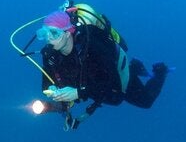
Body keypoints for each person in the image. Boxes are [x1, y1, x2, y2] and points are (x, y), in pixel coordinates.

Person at [37, 8, 169, 130]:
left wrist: (78, 93)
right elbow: (46, 81)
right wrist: (51, 89)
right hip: (88, 86)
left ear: (68, 33)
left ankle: (160, 71)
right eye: (44, 33)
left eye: (54, 33)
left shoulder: (92, 47)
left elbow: (111, 82)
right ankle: (135, 67)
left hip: (114, 76)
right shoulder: (49, 54)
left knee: (145, 101)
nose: (48, 38)